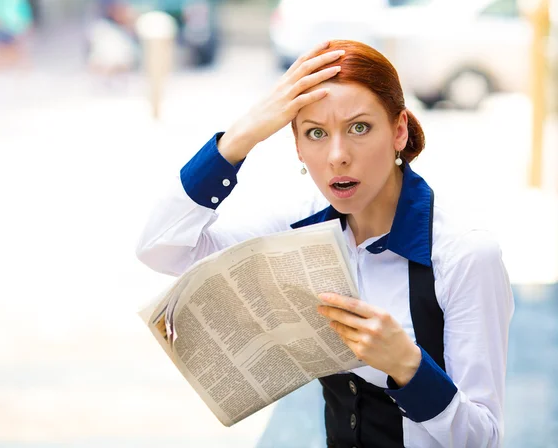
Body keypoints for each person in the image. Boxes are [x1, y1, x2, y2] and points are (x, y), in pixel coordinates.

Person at [136, 40, 514, 447]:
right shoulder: (300, 226)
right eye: (315, 133)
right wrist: (240, 137)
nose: (337, 156)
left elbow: (484, 439)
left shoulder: (464, 255)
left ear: (399, 130)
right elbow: (161, 246)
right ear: (297, 147)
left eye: (359, 128)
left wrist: (408, 367)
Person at [0, 0, 34, 71]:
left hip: (9, 26)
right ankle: (21, 69)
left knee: (7, 48)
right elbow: (25, 11)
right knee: (14, 48)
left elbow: (25, 11)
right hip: (11, 26)